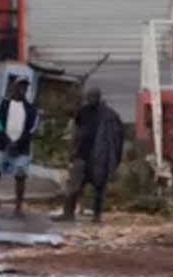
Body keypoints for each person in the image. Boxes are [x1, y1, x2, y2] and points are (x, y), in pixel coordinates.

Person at [53, 88, 124, 224]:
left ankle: (97, 216)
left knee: (99, 188)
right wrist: (72, 152)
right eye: (90, 97)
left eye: (94, 97)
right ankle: (68, 213)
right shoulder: (82, 112)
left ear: (99, 97)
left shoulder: (109, 115)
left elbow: (116, 137)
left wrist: (113, 159)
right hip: (82, 155)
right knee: (73, 185)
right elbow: (76, 131)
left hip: (99, 157)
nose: (92, 99)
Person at [0, 77, 39, 216]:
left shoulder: (31, 108)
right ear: (13, 88)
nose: (23, 89)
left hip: (22, 147)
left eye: (25, 87)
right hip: (2, 145)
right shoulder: (2, 104)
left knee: (21, 175)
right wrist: (7, 141)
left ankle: (18, 207)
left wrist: (18, 143)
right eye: (20, 86)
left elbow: (32, 129)